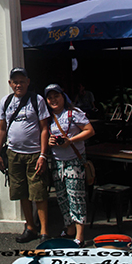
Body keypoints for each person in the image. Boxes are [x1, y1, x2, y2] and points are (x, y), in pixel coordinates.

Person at [0, 67, 50, 243]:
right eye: (15, 81)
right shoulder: (6, 101)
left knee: (38, 193)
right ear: (10, 83)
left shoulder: (37, 100)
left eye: (22, 81)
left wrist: (43, 154)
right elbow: (2, 128)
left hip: (34, 154)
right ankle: (31, 227)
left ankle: (44, 232)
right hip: (13, 153)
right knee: (22, 192)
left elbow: (44, 128)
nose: (18, 84)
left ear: (28, 82)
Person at [45, 83, 95, 247]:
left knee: (76, 197)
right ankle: (70, 229)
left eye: (56, 96)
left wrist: (70, 141)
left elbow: (89, 130)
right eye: (50, 97)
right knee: (62, 197)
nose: (53, 100)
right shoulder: (49, 118)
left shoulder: (74, 113)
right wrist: (50, 141)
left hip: (74, 160)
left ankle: (80, 236)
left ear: (63, 97)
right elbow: (46, 136)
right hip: (58, 162)